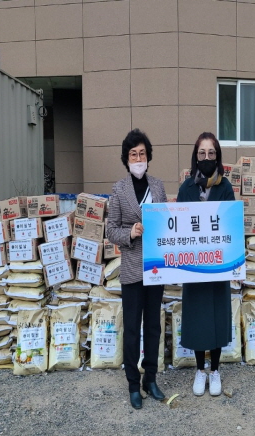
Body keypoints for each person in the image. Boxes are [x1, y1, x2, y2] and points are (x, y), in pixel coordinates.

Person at [106, 129, 167, 410]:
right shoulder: (119, 189)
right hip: (131, 266)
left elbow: (167, 222)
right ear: (126, 159)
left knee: (153, 326)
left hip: (156, 266)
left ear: (148, 156)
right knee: (131, 328)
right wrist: (129, 233)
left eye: (142, 153)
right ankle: (133, 382)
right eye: (133, 154)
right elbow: (111, 230)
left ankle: (150, 378)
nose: (138, 158)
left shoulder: (158, 186)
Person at [176, 132, 235, 397]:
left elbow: (232, 227)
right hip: (194, 265)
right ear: (195, 156)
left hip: (218, 263)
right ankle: (200, 370)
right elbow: (176, 227)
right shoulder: (186, 188)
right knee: (198, 317)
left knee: (217, 317)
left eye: (211, 153)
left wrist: (235, 262)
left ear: (217, 156)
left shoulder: (226, 187)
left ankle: (215, 370)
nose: (207, 158)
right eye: (202, 153)